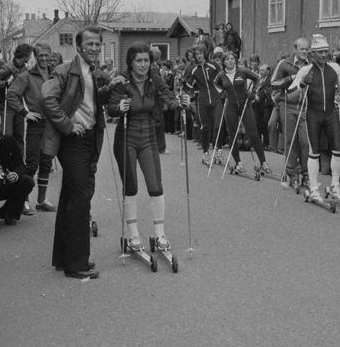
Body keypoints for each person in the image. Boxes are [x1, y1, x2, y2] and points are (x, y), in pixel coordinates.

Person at [42, 26, 123, 280]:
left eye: (98, 44)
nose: (95, 48)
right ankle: (76, 263)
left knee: (69, 198)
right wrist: (67, 125)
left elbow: (86, 101)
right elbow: (47, 99)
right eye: (89, 44)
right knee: (81, 197)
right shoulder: (65, 70)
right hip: (73, 141)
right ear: (78, 47)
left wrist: (109, 90)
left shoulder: (93, 72)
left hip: (89, 139)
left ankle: (64, 257)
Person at [108, 43, 189, 252]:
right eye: (139, 61)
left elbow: (168, 98)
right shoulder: (122, 81)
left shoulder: (156, 80)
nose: (143, 65)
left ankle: (160, 234)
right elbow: (110, 107)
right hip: (126, 137)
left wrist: (180, 103)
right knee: (131, 187)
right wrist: (119, 108)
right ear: (131, 63)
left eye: (146, 60)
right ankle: (134, 236)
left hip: (149, 137)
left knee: (155, 185)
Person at [286, 34, 340, 201]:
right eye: (319, 52)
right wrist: (302, 84)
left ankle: (335, 185)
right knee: (314, 151)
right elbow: (289, 94)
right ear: (312, 54)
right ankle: (314, 187)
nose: (323, 55)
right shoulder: (305, 70)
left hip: (330, 114)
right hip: (313, 114)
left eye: (325, 51)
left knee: (338, 148)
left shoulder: (334, 68)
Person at [7, 42, 57, 212]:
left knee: (46, 162)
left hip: (52, 125)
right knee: (31, 163)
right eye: (40, 55)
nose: (44, 58)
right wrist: (24, 112)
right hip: (36, 124)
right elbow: (11, 94)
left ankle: (41, 200)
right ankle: (24, 200)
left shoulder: (55, 74)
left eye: (46, 55)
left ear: (51, 55)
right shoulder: (27, 76)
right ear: (35, 56)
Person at [214, 50, 269, 174]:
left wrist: (253, 92)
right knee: (232, 136)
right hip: (231, 107)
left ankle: (263, 163)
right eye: (227, 59)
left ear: (236, 61)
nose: (230, 61)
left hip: (245, 105)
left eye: (232, 59)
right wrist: (223, 92)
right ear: (224, 62)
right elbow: (215, 84)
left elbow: (257, 78)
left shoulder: (243, 71)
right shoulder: (221, 74)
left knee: (253, 134)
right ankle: (238, 163)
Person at [270, 38, 312, 188]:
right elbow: (273, 83)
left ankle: (306, 174)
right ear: (295, 49)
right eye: (302, 49)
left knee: (306, 142)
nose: (305, 52)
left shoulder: (311, 65)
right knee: (290, 140)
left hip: (306, 106)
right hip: (287, 104)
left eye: (307, 49)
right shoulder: (285, 64)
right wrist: (291, 78)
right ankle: (291, 173)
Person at [183, 43, 224, 165]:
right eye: (196, 54)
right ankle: (205, 153)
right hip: (203, 99)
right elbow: (189, 86)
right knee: (204, 127)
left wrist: (224, 90)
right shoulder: (193, 69)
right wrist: (183, 81)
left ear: (205, 53)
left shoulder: (214, 65)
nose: (199, 56)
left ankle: (219, 150)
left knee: (218, 125)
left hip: (216, 98)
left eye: (201, 53)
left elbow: (223, 78)